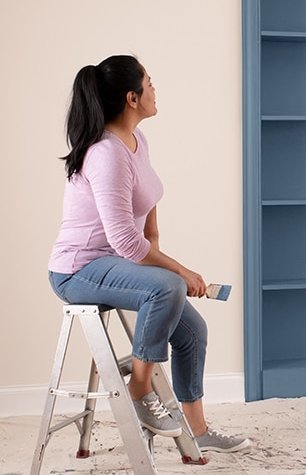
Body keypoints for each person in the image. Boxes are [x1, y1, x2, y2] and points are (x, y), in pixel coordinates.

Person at [48, 55, 250, 453]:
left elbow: (147, 198)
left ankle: (198, 430)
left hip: (115, 263)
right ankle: (140, 390)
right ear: (132, 98)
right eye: (150, 83)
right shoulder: (106, 154)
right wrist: (180, 271)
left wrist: (157, 245)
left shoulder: (137, 141)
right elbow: (124, 241)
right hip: (78, 269)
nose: (156, 90)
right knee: (167, 286)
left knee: (193, 333)